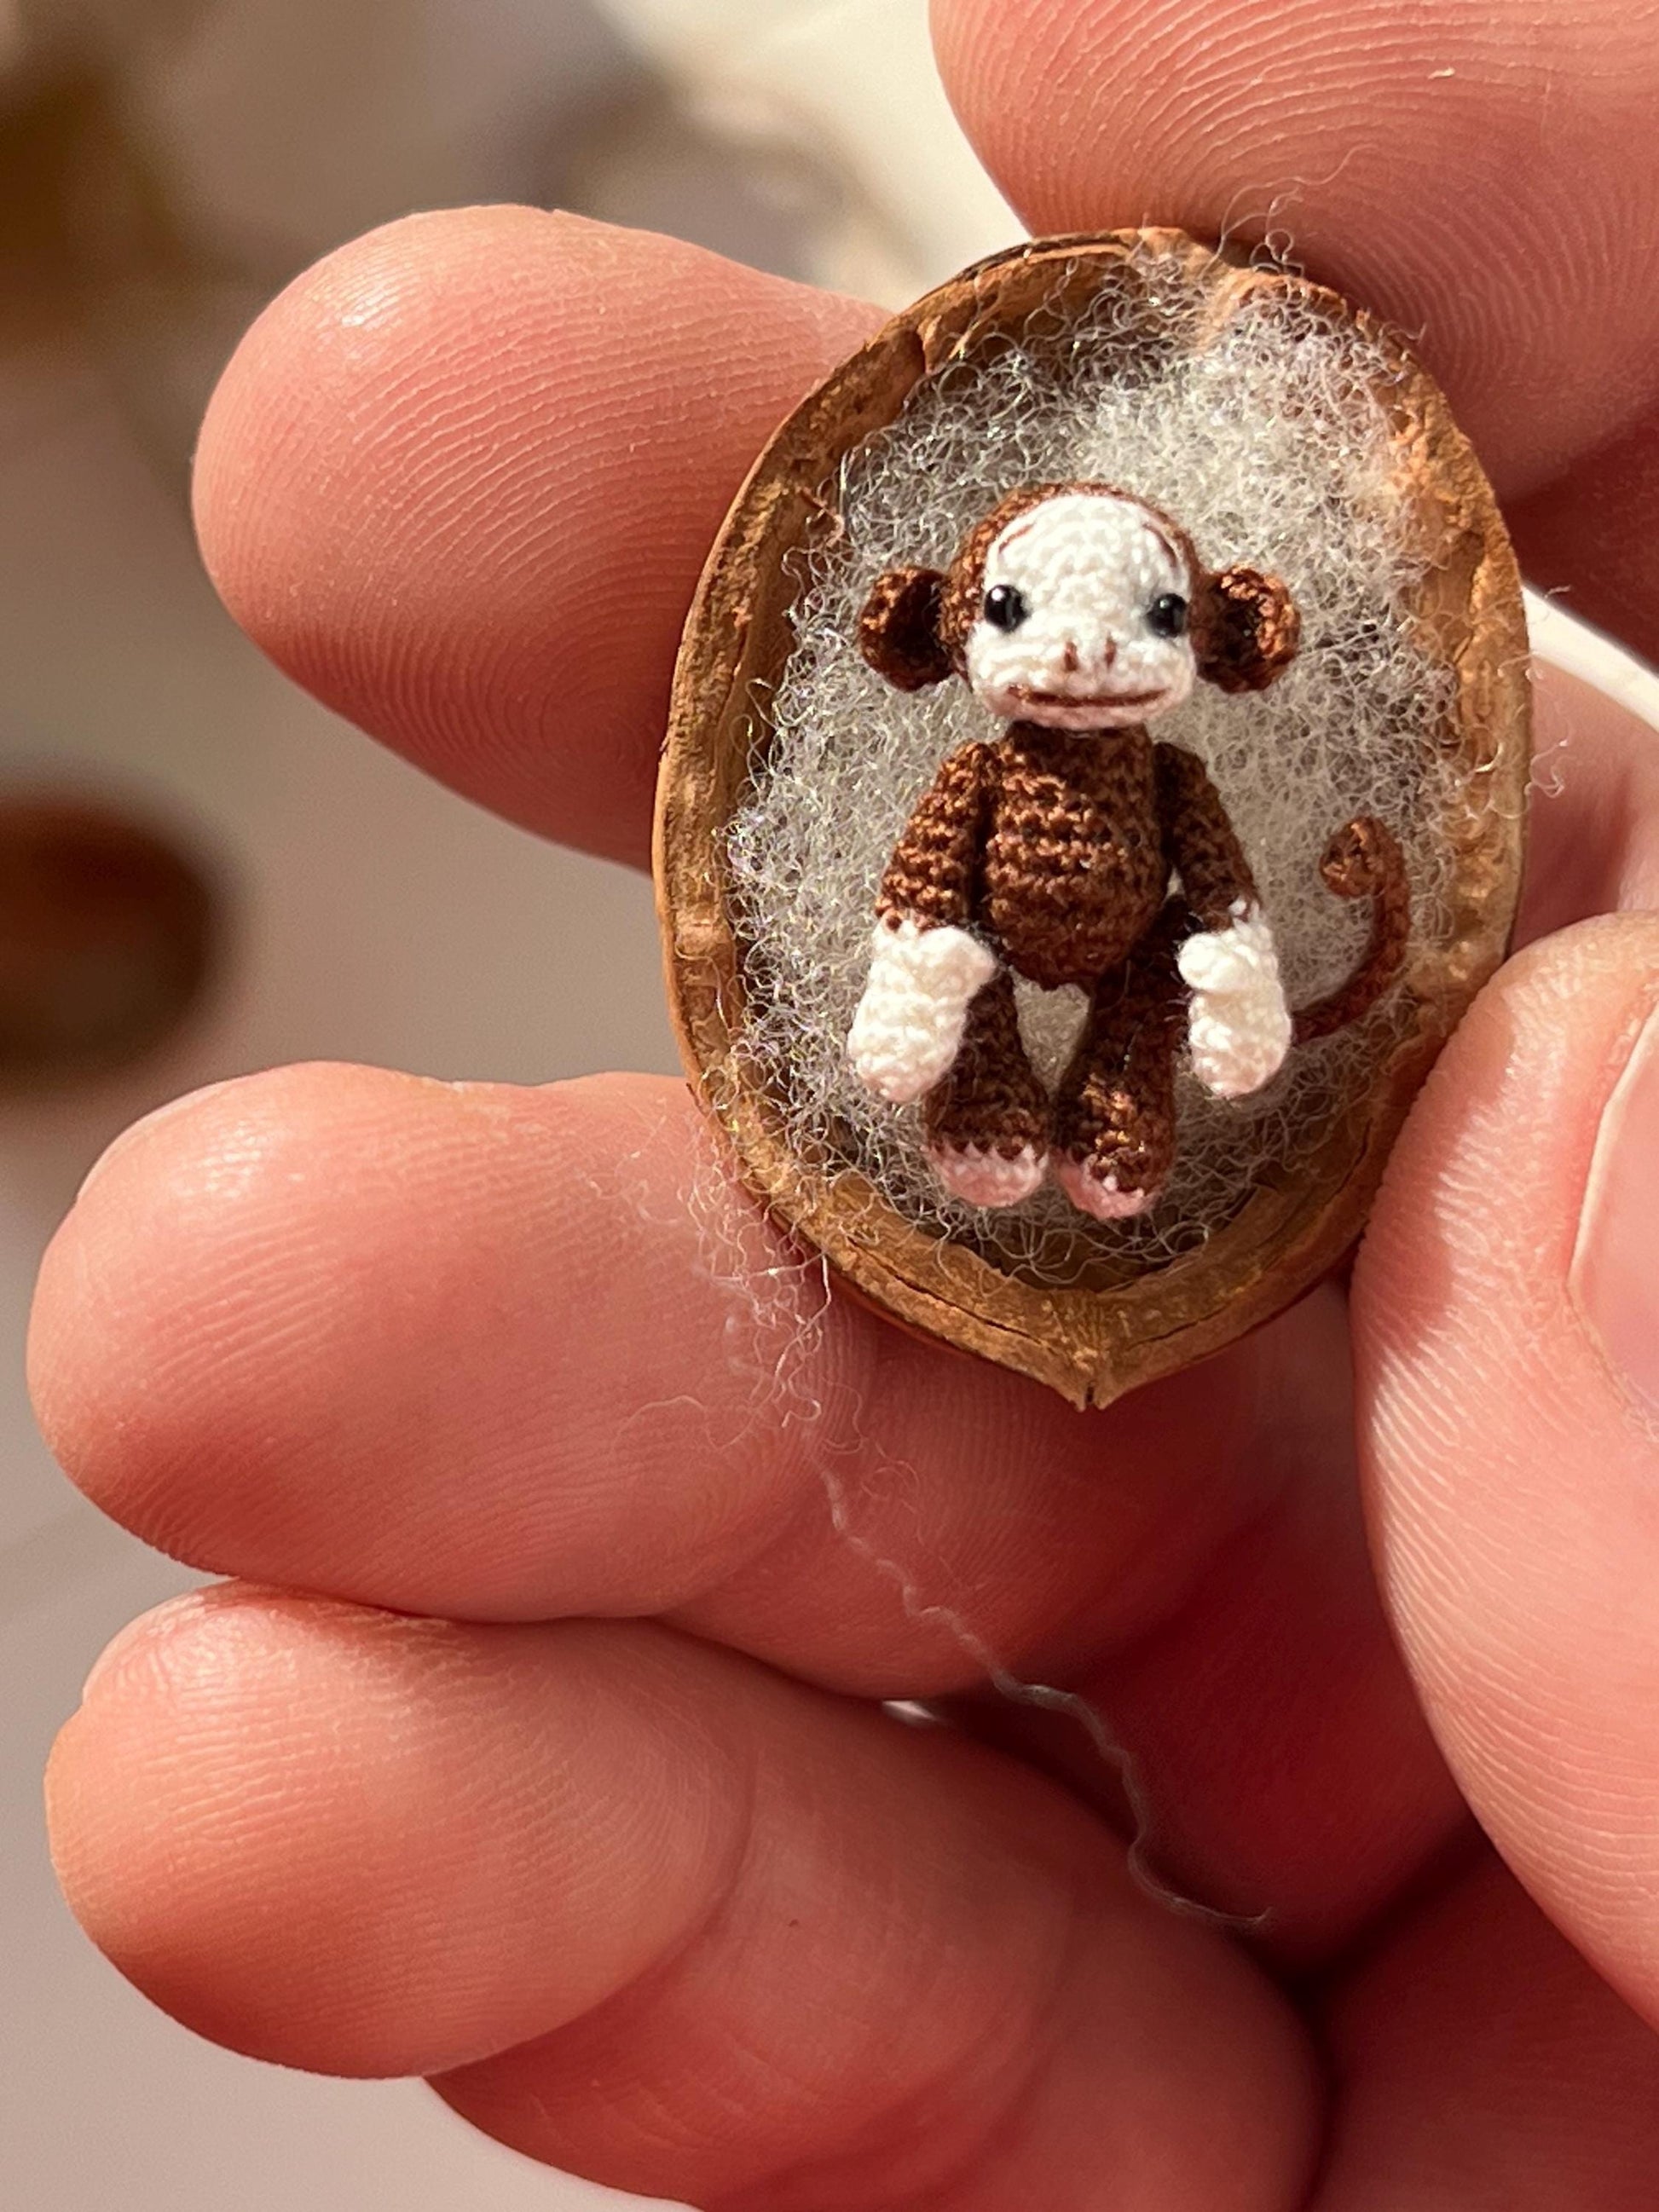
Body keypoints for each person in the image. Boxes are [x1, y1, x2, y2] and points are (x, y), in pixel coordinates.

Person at [29, 2, 1659, 2203]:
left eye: (1135, 621)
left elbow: (1214, 896)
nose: (1078, 658)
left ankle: (1102, 1127)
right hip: (1009, 1059)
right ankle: (1015, 1104)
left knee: (1119, 1075)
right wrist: (915, 970)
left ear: (1215, 630)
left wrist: (1224, 966)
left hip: (1167, 1078)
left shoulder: (1188, 788)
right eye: (1030, 617)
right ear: (950, 621)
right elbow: (923, 886)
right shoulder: (965, 776)